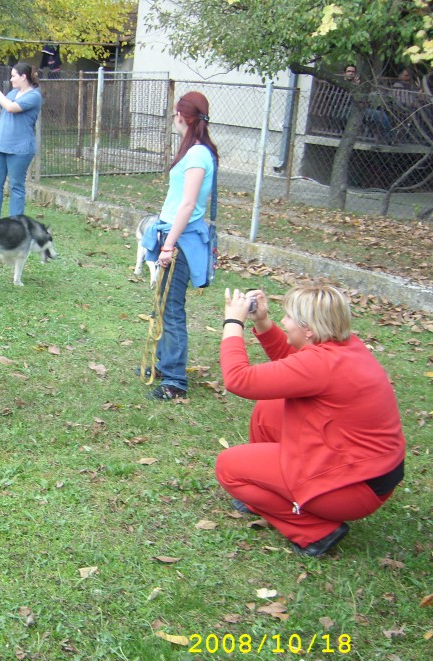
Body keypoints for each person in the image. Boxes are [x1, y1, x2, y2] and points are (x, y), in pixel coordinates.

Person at [216, 284, 405, 557]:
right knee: (269, 408)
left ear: (309, 330)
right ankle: (272, 493)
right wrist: (263, 322)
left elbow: (238, 380)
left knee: (228, 467)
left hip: (353, 488)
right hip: (365, 470)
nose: (284, 320)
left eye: (289, 317)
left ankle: (315, 531)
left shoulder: (322, 364)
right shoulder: (344, 347)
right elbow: (295, 366)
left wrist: (234, 322)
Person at [140, 91, 218, 401]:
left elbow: (188, 205)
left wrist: (169, 246)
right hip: (171, 235)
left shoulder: (198, 154)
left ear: (183, 117)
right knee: (161, 303)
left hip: (180, 241)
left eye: (175, 114)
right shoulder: (193, 152)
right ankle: (163, 364)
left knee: (171, 310)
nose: (174, 118)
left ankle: (175, 381)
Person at [0, 62, 42, 219]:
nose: (11, 79)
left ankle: (15, 223)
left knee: (16, 186)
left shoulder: (34, 96)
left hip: (20, 149)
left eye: (13, 76)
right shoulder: (11, 94)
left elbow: (11, 108)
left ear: (23, 77)